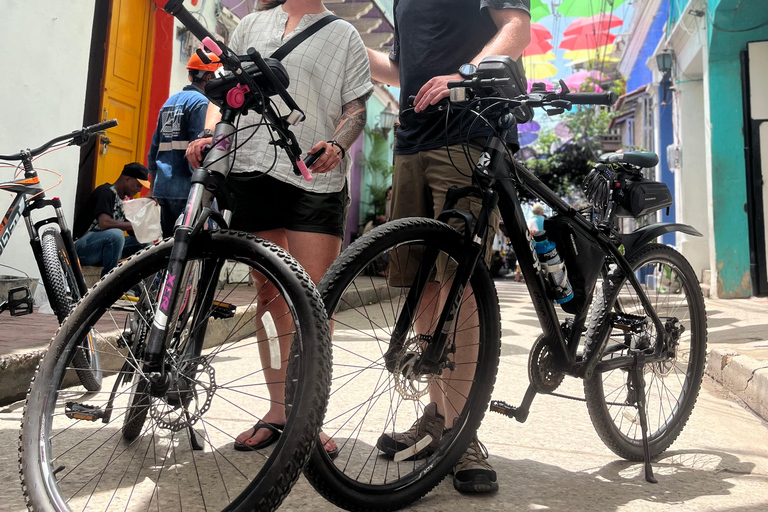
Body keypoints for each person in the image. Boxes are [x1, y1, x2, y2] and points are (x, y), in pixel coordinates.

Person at [185, 0, 372, 457]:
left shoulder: (345, 34)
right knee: (268, 296)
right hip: (252, 166)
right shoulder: (250, 24)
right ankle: (277, 411)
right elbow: (222, 92)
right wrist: (211, 135)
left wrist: (338, 141)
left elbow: (356, 108)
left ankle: (310, 416)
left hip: (315, 175)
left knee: (312, 301)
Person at [366, 0, 531, 494]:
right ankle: (440, 414)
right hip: (413, 140)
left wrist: (466, 74)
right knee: (423, 286)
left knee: (459, 286)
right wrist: (348, 44)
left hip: (467, 134)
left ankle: (464, 432)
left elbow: (517, 29)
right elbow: (404, 69)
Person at [146, 52, 222, 237]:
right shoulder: (201, 103)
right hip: (188, 190)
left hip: (164, 188)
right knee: (191, 249)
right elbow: (198, 150)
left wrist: (153, 185)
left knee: (169, 247)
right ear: (209, 77)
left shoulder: (169, 102)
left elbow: (154, 147)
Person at [73, 163, 150, 276]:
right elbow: (104, 223)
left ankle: (142, 283)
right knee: (116, 235)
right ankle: (109, 280)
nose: (139, 190)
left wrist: (145, 222)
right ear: (127, 179)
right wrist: (133, 225)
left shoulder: (124, 201)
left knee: (146, 242)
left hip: (103, 251)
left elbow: (132, 231)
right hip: (83, 250)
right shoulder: (106, 192)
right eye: (138, 185)